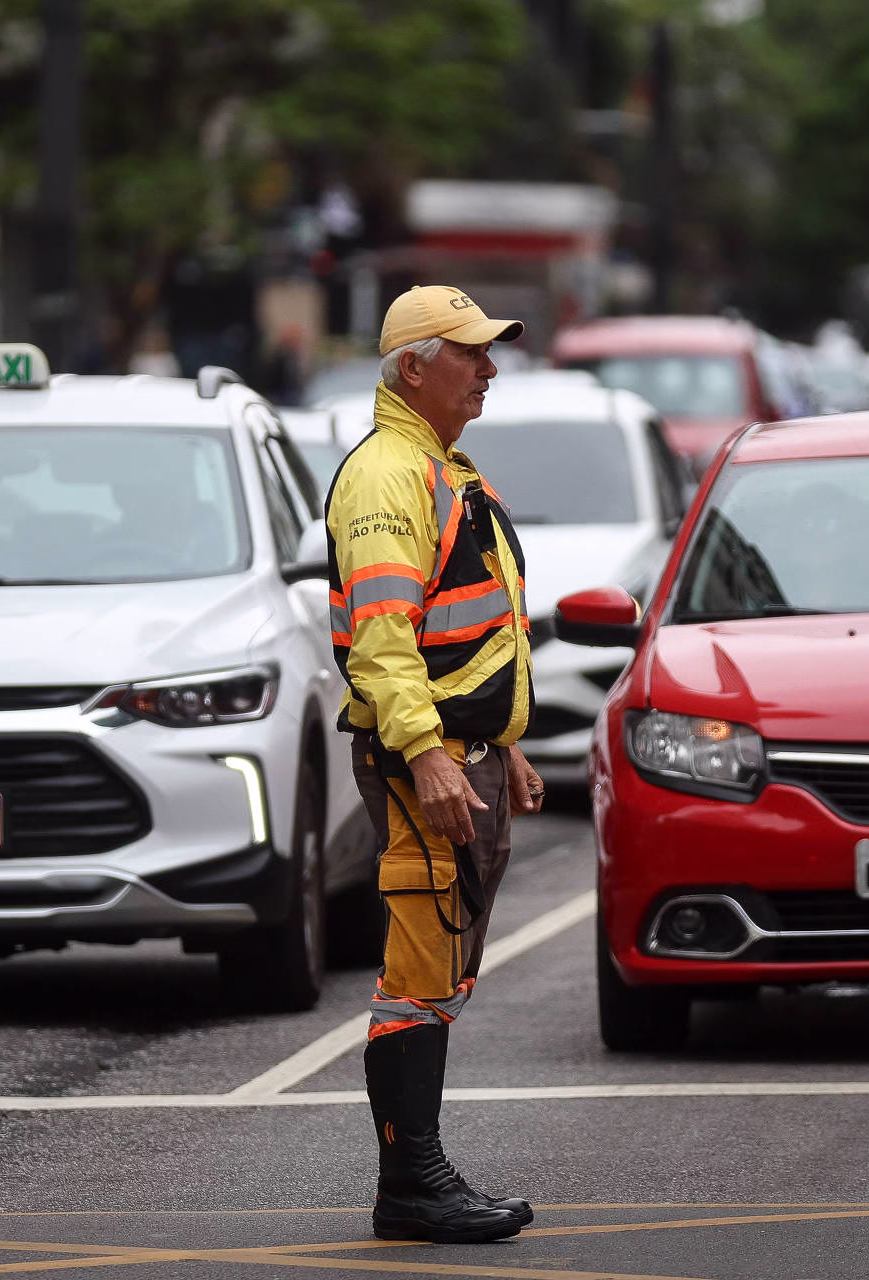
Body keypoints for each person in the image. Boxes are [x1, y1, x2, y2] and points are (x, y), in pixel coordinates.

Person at [325, 285, 543, 1245]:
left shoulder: (439, 467)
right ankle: (412, 1186)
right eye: (470, 352)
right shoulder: (388, 476)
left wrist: (506, 743)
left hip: (462, 754)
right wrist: (427, 754)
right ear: (414, 367)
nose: (488, 367)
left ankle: (417, 1178)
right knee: (417, 974)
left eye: (489, 351)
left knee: (438, 969)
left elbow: (465, 635)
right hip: (429, 762)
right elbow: (382, 640)